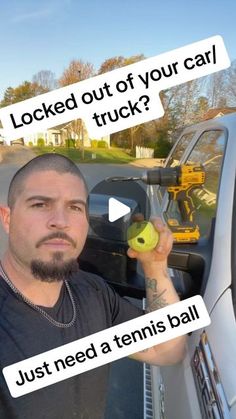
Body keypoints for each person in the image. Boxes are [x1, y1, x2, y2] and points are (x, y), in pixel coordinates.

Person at [0, 153, 186, 419]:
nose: (60, 221)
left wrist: (154, 266)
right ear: (7, 219)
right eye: (40, 204)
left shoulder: (92, 293)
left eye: (75, 207)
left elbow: (166, 349)